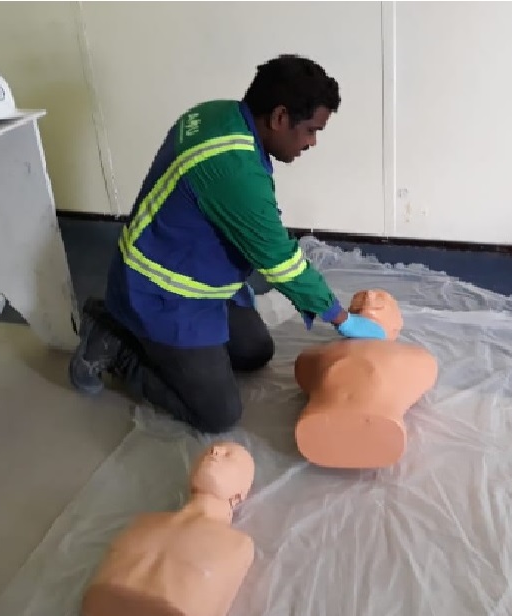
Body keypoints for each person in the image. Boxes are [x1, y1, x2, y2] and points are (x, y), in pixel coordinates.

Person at [69, 54, 387, 434]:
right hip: (162, 292)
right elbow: (280, 261)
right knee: (218, 414)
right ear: (280, 117)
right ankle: (114, 342)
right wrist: (340, 318)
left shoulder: (219, 114)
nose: (312, 142)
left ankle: (162, 344)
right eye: (310, 130)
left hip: (195, 268)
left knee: (254, 352)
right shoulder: (234, 171)